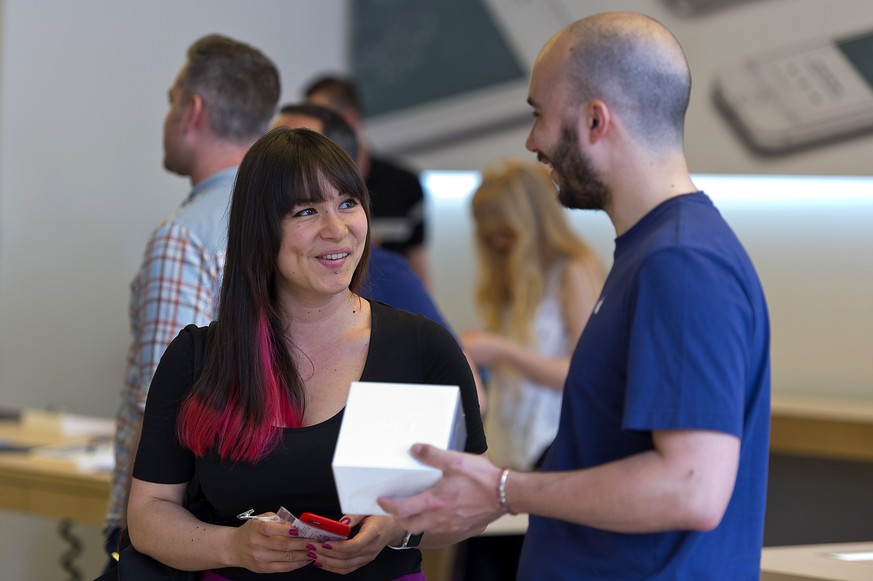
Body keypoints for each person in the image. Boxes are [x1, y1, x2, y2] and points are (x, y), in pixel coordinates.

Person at [379, 12, 771, 581]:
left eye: (539, 114)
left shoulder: (680, 262)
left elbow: (692, 488)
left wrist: (506, 489)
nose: (532, 140)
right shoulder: (653, 252)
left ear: (594, 121)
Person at [126, 128, 487, 580]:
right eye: (306, 211)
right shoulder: (199, 358)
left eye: (348, 203)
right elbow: (148, 514)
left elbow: (474, 501)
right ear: (261, 229)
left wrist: (399, 528)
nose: (336, 230)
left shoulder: (420, 349)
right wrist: (233, 546)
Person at [104, 34, 280, 560]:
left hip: (175, 528)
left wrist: (132, 534)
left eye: (171, 100)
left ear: (193, 111)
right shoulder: (290, 221)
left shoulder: (185, 237)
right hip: (257, 518)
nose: (168, 117)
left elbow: (158, 402)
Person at [271, 102, 486, 411]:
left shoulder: (382, 269)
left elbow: (470, 396)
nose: (334, 228)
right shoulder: (223, 339)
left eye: (346, 203)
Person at [455, 160, 605, 580]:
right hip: (510, 447)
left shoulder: (574, 272)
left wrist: (503, 350)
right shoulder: (514, 278)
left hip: (552, 444)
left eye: (503, 229)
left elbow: (584, 373)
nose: (496, 240)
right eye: (488, 231)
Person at [303, 75, 431, 287]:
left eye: (319, 115)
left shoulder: (404, 183)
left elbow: (417, 265)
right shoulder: (306, 184)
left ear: (350, 117)